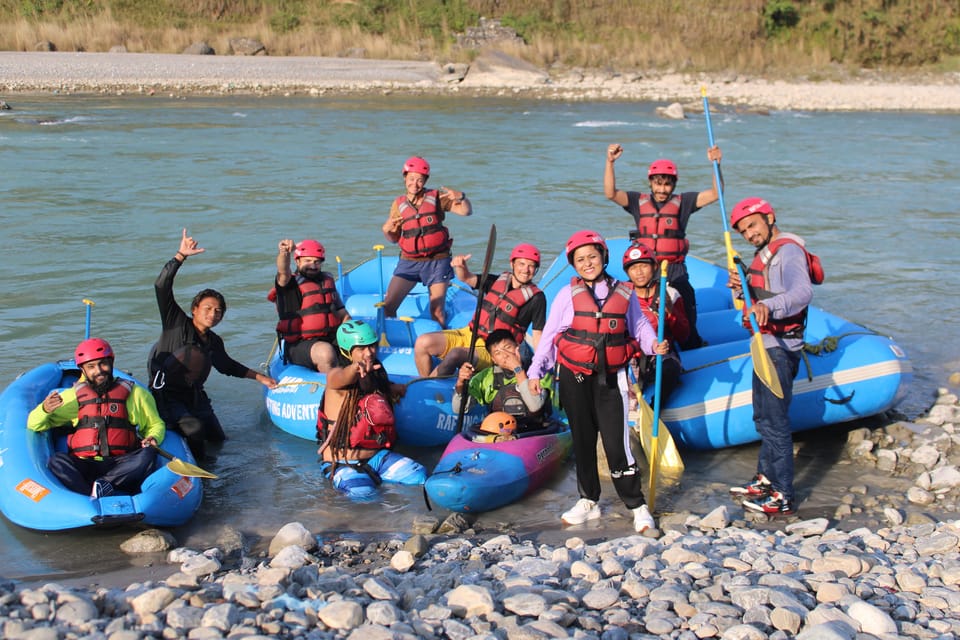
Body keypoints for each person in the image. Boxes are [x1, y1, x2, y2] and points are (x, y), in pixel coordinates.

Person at [526, 230, 669, 533]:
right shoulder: (567, 295)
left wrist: (652, 344)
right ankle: (588, 499)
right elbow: (550, 335)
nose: (587, 263)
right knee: (582, 440)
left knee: (617, 444)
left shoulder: (625, 293)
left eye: (592, 256)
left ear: (604, 256)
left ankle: (636, 504)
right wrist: (536, 370)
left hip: (611, 378)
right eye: (580, 259)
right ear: (573, 265)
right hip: (573, 376)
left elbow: (640, 325)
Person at [150, 229, 277, 462]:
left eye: (219, 311)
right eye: (208, 308)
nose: (213, 313)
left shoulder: (213, 341)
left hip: (195, 396)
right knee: (195, 430)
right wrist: (180, 256)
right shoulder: (176, 323)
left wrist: (261, 378)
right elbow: (161, 287)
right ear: (194, 309)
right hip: (167, 396)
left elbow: (226, 365)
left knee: (219, 439)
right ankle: (200, 471)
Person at [726, 197, 815, 517]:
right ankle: (766, 478)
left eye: (752, 225)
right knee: (762, 417)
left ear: (769, 217)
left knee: (776, 422)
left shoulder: (788, 251)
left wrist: (768, 307)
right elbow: (754, 297)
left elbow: (802, 293)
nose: (749, 234)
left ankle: (784, 494)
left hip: (782, 348)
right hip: (764, 345)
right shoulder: (761, 256)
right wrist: (741, 288)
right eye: (742, 231)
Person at [604, 143, 723, 350]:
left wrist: (716, 165)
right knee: (640, 308)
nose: (662, 189)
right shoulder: (636, 202)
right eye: (658, 184)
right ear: (650, 183)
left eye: (667, 185)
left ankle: (691, 344)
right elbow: (610, 193)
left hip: (675, 270)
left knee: (686, 305)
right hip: (647, 268)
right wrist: (610, 162)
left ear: (673, 185)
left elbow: (715, 193)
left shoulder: (684, 202)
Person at [28, 338, 165, 498]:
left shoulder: (136, 394)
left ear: (111, 362)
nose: (99, 370)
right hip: (86, 463)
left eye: (103, 363)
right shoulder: (73, 397)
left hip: (122, 463)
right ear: (83, 370)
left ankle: (104, 486)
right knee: (57, 461)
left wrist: (153, 437)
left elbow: (155, 424)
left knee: (147, 454)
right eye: (91, 366)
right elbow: (34, 424)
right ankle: (90, 495)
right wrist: (45, 410)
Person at [315, 320, 427, 500]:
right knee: (363, 497)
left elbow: (373, 392)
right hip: (344, 462)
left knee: (420, 477)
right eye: (361, 348)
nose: (369, 352)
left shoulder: (375, 373)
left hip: (378, 457)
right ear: (346, 350)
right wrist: (354, 368)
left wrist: (391, 388)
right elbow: (342, 377)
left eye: (372, 346)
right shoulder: (336, 377)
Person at [413, 243, 546, 377]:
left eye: (531, 266)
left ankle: (426, 384)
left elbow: (537, 335)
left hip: (495, 350)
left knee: (455, 354)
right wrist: (460, 266)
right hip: (469, 334)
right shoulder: (498, 281)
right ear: (512, 264)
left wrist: (539, 367)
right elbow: (466, 278)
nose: (526, 270)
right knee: (422, 343)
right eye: (521, 264)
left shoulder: (537, 298)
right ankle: (428, 386)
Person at [380, 155, 472, 328]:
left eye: (420, 180)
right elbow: (394, 239)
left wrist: (461, 197)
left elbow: (466, 212)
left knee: (437, 311)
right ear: (405, 177)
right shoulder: (397, 204)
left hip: (437, 261)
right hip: (409, 261)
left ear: (425, 181)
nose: (415, 184)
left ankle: (441, 346)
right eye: (411, 178)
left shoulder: (436, 197)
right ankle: (391, 340)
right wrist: (386, 231)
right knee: (388, 306)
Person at [621, 241, 689, 403]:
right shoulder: (622, 297)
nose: (639, 272)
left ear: (654, 267)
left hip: (661, 354)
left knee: (670, 368)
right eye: (633, 268)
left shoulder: (670, 294)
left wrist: (670, 312)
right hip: (633, 355)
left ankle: (656, 407)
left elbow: (683, 336)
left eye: (644, 266)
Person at [452, 329, 554, 434]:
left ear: (517, 347)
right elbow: (458, 409)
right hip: (499, 434)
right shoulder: (485, 378)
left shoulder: (538, 373)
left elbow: (534, 406)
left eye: (508, 348)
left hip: (534, 432)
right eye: (498, 353)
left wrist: (518, 370)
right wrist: (460, 383)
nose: (505, 355)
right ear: (493, 359)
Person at [272, 238, 350, 372]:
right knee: (326, 353)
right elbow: (283, 271)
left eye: (317, 262)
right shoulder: (289, 284)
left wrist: (351, 337)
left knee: (364, 342)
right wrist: (284, 252)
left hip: (331, 337)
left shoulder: (326, 281)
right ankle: (333, 388)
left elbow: (343, 314)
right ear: (297, 261)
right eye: (307, 261)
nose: (313, 266)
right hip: (299, 344)